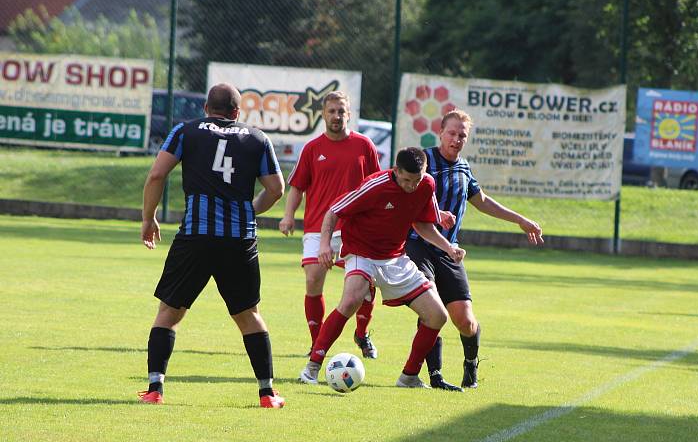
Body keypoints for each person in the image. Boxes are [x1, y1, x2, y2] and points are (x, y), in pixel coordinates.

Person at [138, 83, 286, 408]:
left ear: (206, 108)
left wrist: (149, 218)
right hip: (239, 240)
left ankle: (154, 389)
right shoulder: (259, 138)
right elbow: (276, 189)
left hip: (196, 237)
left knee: (169, 313)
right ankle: (267, 393)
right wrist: (250, 209)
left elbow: (156, 175)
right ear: (237, 112)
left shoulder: (185, 131)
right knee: (249, 315)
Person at [298, 147, 466, 388]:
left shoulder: (426, 185)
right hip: (361, 252)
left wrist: (449, 248)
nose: (411, 186)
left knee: (437, 315)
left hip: (395, 258)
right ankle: (312, 368)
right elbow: (333, 211)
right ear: (395, 170)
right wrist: (324, 245)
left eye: (416, 180)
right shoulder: (374, 186)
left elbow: (422, 224)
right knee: (351, 300)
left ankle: (408, 376)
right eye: (406, 180)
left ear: (425, 172)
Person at [406, 109, 544, 391]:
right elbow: (405, 195)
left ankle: (470, 366)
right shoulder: (424, 161)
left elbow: (482, 200)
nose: (456, 139)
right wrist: (435, 212)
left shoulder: (463, 167)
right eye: (452, 133)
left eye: (462, 135)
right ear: (441, 132)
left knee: (465, 321)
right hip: (419, 244)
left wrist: (520, 219)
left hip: (450, 252)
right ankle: (435, 376)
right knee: (431, 309)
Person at [279, 91, 382, 359]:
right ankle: (317, 343)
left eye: (341, 111)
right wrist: (288, 215)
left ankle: (362, 334)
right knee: (313, 279)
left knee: (365, 289)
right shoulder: (312, 149)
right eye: (332, 111)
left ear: (349, 114)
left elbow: (375, 187)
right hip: (317, 227)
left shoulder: (364, 146)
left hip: (355, 228)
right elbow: (297, 187)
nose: (336, 116)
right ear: (323, 114)